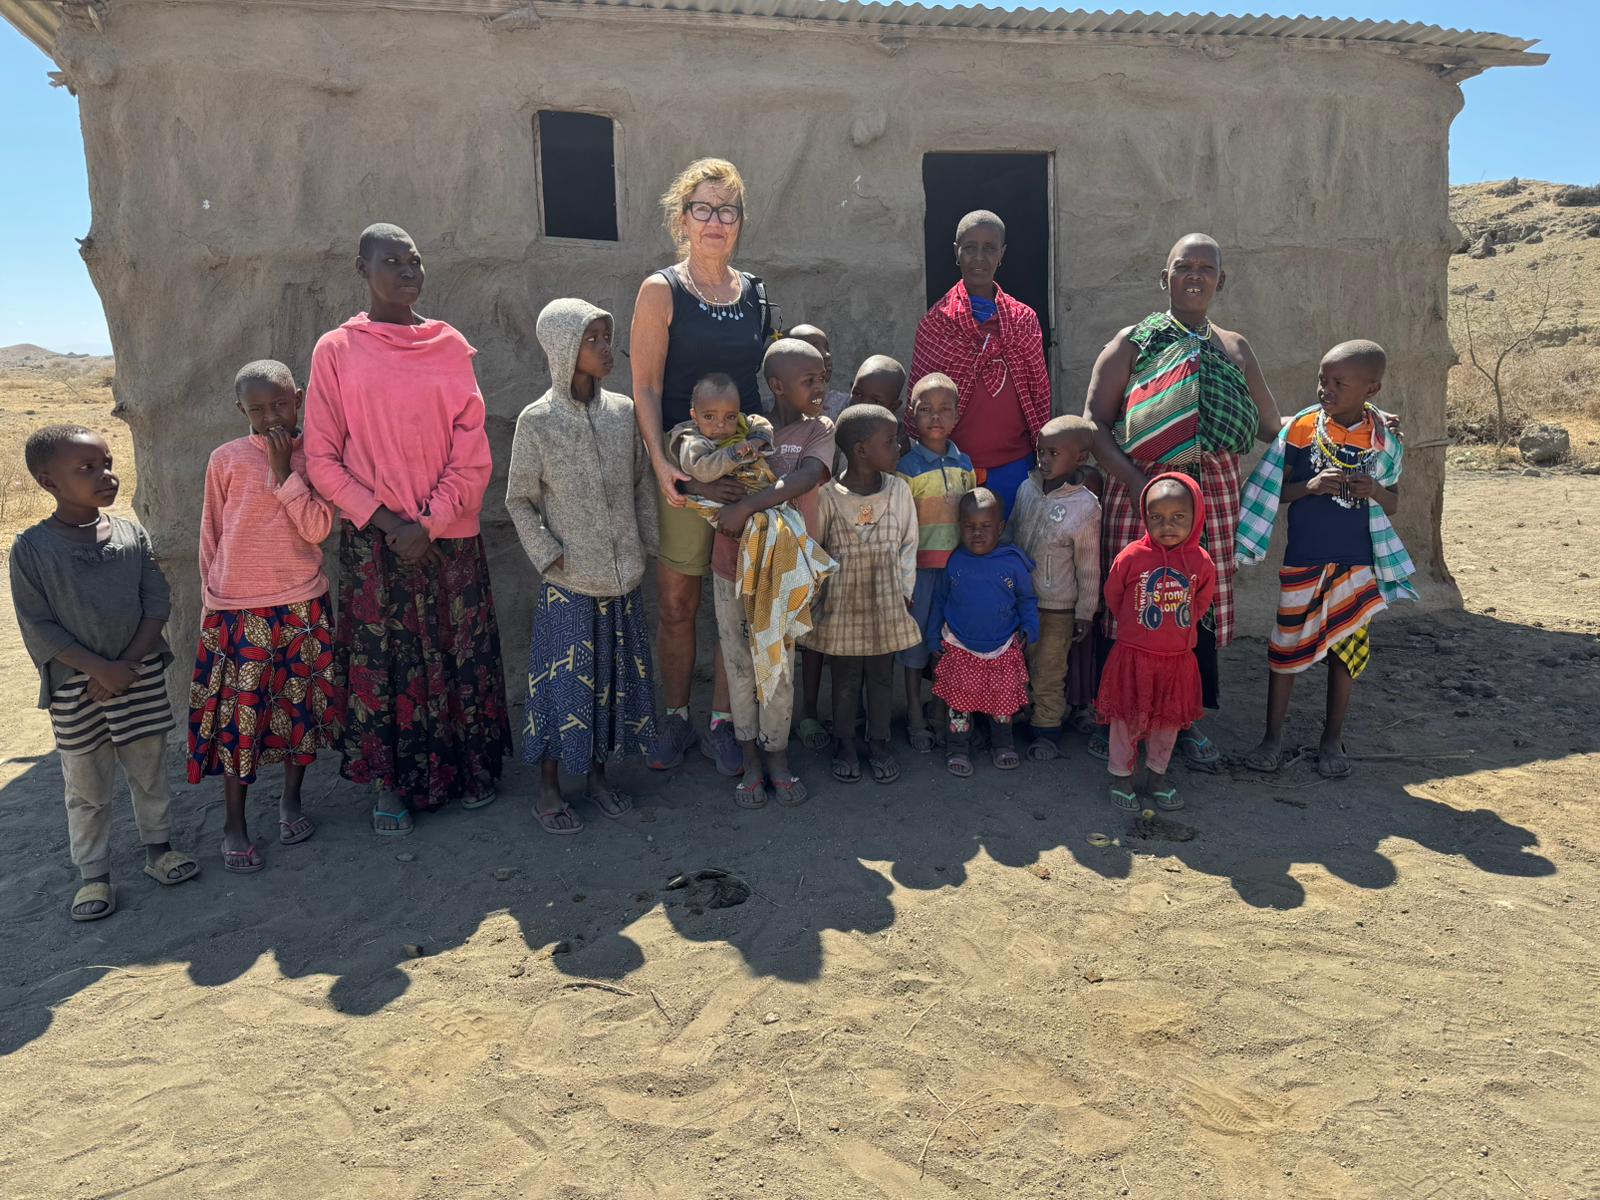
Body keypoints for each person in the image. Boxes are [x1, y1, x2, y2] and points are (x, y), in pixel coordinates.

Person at [304, 222, 512, 836]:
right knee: (386, 661)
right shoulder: (337, 350)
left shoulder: (449, 345)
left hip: (448, 535)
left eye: (414, 260)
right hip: (377, 539)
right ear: (362, 270)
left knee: (458, 650)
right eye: (391, 261)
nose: (407, 271)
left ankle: (469, 770)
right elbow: (321, 457)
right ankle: (390, 783)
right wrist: (393, 522)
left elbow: (472, 448)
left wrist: (431, 520)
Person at [1084, 233, 1281, 768]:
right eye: (1183, 266)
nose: (1195, 276)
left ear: (1222, 280)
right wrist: (1133, 481)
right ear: (1164, 278)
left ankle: (1185, 720)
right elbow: (1094, 422)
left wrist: (1341, 422)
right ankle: (1117, 717)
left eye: (1206, 268)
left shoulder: (1235, 349)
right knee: (1134, 602)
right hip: (1141, 495)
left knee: (1196, 605)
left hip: (1211, 498)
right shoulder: (1132, 344)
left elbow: (1271, 426)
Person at [10, 425, 199, 921]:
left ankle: (159, 850)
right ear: (49, 482)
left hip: (139, 677)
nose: (106, 476)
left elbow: (156, 602)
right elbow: (38, 624)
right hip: (77, 689)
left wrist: (126, 667)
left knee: (148, 770)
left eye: (107, 463)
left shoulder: (131, 534)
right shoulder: (31, 549)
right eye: (87, 469)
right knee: (86, 786)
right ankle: (93, 874)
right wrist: (100, 670)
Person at [630, 158, 775, 776]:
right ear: (682, 219)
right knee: (677, 601)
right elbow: (645, 386)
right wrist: (661, 465)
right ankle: (674, 718)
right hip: (687, 465)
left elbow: (760, 387)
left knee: (736, 602)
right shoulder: (661, 290)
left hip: (742, 466)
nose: (716, 221)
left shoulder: (755, 294)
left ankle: (724, 721)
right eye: (703, 209)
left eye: (727, 210)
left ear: (740, 221)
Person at [505, 299, 659, 835]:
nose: (604, 348)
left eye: (604, 336)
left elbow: (641, 482)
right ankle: (548, 787)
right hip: (568, 582)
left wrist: (645, 544)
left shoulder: (622, 413)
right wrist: (548, 553)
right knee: (562, 687)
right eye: (591, 339)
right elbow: (519, 499)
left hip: (622, 577)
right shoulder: (538, 421)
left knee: (610, 684)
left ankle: (598, 777)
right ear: (563, 348)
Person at [1236, 340, 1415, 779]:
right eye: (1322, 379)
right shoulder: (1301, 429)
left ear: (1371, 389)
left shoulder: (1382, 440)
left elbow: (1393, 502)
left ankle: (1332, 739)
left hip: (1358, 561)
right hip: (1305, 557)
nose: (1325, 389)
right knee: (1285, 647)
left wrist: (1375, 490)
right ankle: (1272, 738)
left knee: (1345, 653)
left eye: (1339, 383)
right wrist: (1311, 486)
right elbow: (1271, 491)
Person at [187, 361, 337, 873]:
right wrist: (211, 601)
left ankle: (291, 801)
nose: (271, 417)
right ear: (241, 410)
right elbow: (210, 534)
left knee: (298, 711)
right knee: (240, 720)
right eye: (257, 409)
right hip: (236, 609)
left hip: (300, 604)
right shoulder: (225, 458)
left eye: (280, 405)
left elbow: (317, 529)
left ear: (299, 399)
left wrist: (283, 471)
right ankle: (235, 823)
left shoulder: (318, 458)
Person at [709, 338, 836, 808]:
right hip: (731, 566)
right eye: (809, 380)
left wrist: (746, 506)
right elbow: (703, 462)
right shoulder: (741, 427)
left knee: (779, 667)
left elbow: (806, 477)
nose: (820, 387)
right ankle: (750, 760)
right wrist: (709, 486)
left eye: (822, 378)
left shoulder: (819, 429)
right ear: (778, 386)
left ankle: (778, 756)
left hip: (785, 572)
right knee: (740, 664)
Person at [800, 405, 921, 785]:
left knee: (883, 676)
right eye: (890, 441)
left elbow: (909, 545)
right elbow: (816, 550)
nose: (899, 447)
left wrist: (905, 591)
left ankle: (880, 742)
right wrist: (816, 602)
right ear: (861, 450)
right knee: (846, 678)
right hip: (842, 607)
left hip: (887, 603)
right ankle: (845, 743)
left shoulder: (899, 491)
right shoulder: (827, 497)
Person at [909, 210, 1050, 517]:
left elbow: (1039, 394)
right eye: (970, 247)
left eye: (989, 248)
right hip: (949, 465)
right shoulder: (936, 324)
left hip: (1016, 465)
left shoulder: (1024, 320)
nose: (979, 258)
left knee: (1014, 539)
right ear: (956, 252)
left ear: (1002, 254)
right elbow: (919, 401)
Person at [1096, 473, 1216, 814]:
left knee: (1167, 723)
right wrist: (1137, 627)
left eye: (1178, 517)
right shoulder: (1131, 557)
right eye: (1157, 517)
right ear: (1144, 517)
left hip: (1176, 661)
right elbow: (1114, 595)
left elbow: (1200, 604)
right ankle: (1121, 776)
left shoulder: (1201, 562)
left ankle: (1156, 778)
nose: (1167, 526)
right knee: (1125, 719)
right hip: (1133, 656)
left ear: (1196, 517)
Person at [1006, 415, 1101, 761]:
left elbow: (1088, 566)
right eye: (1040, 451)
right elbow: (1011, 532)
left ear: (1080, 458)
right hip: (1019, 600)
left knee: (1049, 670)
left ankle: (1046, 730)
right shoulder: (1026, 488)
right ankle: (1013, 720)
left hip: (1056, 608)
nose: (1043, 460)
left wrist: (1085, 611)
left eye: (1053, 453)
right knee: (1014, 663)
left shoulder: (1086, 507)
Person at [927, 488, 1039, 777]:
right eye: (969, 526)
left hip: (1002, 647)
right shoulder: (955, 561)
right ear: (959, 527)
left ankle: (1002, 744)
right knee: (959, 705)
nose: (977, 533)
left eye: (985, 526)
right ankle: (958, 749)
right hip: (960, 647)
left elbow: (1026, 599)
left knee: (1002, 703)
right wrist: (932, 635)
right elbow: (940, 599)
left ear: (1000, 528)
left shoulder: (1013, 563)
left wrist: (1030, 628)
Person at [896, 374, 978, 753]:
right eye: (926, 409)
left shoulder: (965, 464)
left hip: (955, 572)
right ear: (912, 416)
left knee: (948, 643)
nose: (935, 417)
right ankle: (915, 713)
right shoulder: (906, 468)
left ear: (957, 416)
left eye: (945, 409)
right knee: (915, 644)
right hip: (919, 573)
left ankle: (942, 710)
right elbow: (901, 527)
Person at [667, 373, 775, 489]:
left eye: (730, 417)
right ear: (694, 416)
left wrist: (755, 441)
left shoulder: (740, 422)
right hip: (715, 492)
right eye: (709, 417)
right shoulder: (693, 441)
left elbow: (761, 424)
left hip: (753, 480)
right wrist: (733, 452)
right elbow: (702, 471)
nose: (721, 424)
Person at [789, 324, 852, 422]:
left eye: (827, 349)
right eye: (815, 350)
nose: (827, 355)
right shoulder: (771, 411)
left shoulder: (843, 404)